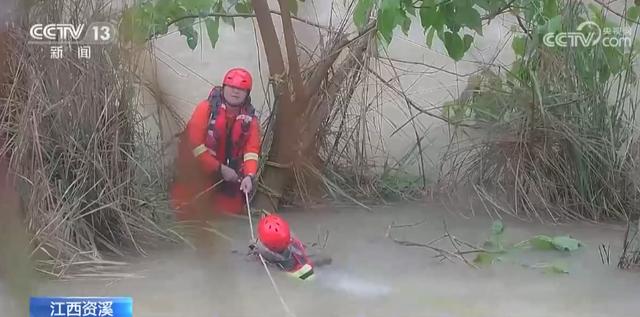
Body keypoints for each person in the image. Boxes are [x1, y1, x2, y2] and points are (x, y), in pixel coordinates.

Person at [170, 68, 261, 219]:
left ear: (247, 94)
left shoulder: (250, 120)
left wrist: (249, 176)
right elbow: (194, 145)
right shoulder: (205, 109)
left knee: (229, 213)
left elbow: (251, 151)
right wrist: (219, 168)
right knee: (186, 208)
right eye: (232, 87)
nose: (235, 92)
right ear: (224, 87)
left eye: (240, 89)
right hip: (200, 169)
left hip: (230, 175)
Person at [249, 213, 317, 280]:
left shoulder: (266, 253)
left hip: (297, 272)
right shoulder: (294, 243)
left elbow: (265, 252)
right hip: (307, 265)